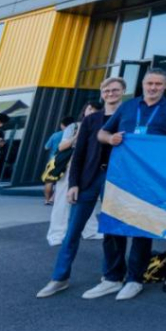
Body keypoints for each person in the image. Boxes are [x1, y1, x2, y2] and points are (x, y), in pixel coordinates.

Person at [96, 68, 166, 301]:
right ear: (143, 84)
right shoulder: (127, 106)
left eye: (158, 84)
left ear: (165, 86)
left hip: (148, 179)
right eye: (149, 83)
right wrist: (111, 139)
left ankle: (135, 279)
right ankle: (111, 277)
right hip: (120, 177)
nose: (153, 87)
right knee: (113, 227)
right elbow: (102, 134)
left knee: (141, 228)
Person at [37, 78, 126, 298]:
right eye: (106, 90)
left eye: (115, 90)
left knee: (112, 231)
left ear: (123, 92)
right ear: (102, 93)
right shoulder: (91, 120)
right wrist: (73, 183)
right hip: (88, 179)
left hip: (116, 180)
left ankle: (112, 277)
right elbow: (79, 154)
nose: (110, 93)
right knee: (73, 230)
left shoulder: (128, 118)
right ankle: (59, 278)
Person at [47, 104, 100, 246]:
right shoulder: (74, 126)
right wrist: (79, 134)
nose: (92, 112)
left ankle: (90, 230)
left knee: (89, 200)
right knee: (62, 200)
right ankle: (57, 234)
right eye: (90, 109)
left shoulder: (101, 126)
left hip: (90, 167)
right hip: (71, 166)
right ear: (84, 111)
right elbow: (62, 146)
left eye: (96, 110)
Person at [41, 117, 76, 205]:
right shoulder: (72, 135)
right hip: (66, 160)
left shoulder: (55, 135)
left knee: (49, 181)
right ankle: (53, 199)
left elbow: (46, 147)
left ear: (62, 125)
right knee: (61, 181)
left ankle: (47, 199)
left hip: (53, 160)